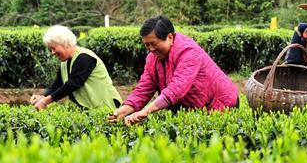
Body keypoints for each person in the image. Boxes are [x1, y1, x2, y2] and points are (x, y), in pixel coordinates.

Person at [108, 16, 239, 125]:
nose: (151, 49)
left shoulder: (189, 51)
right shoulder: (152, 58)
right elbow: (144, 89)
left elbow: (177, 89)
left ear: (170, 37)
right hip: (194, 108)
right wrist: (124, 110)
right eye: (147, 45)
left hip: (222, 105)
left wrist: (146, 111)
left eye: (153, 43)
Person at [30, 25, 122, 112]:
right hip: (90, 109)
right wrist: (42, 96)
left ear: (64, 43)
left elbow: (73, 84)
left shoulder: (84, 57)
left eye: (53, 48)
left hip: (107, 107)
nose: (52, 52)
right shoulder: (65, 62)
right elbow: (57, 85)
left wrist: (45, 101)